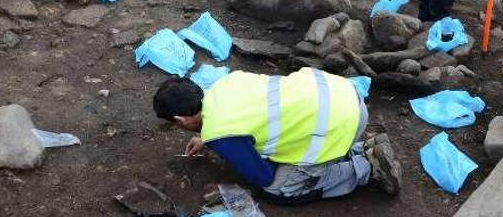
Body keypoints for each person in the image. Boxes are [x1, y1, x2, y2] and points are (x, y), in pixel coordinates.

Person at [152, 68, 401, 204]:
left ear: (180, 120)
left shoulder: (220, 133)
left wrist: (217, 141)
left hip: (339, 124)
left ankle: (367, 167)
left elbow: (263, 175)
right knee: (289, 149)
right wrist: (208, 137)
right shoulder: (223, 84)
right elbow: (247, 115)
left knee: (277, 190)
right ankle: (364, 147)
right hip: (348, 98)